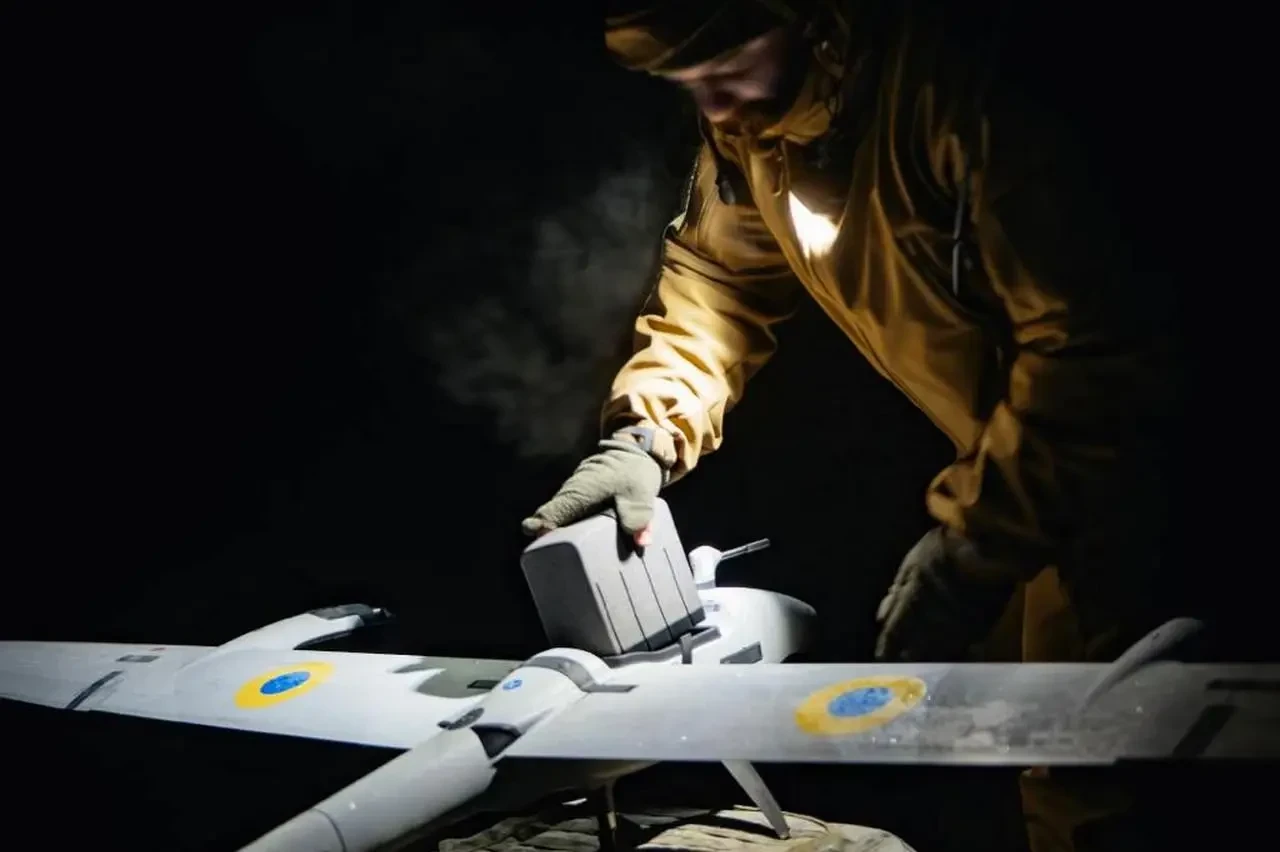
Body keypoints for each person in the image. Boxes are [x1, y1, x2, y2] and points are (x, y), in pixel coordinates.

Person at [523, 2, 1185, 850]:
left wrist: (977, 541)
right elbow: (721, 279)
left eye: (728, 70)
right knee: (1003, 756)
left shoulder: (966, 95)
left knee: (1106, 775)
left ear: (814, 20)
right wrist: (645, 433)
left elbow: (1092, 353)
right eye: (689, 84)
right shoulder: (754, 130)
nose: (714, 107)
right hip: (1016, 487)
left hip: (1134, 483)